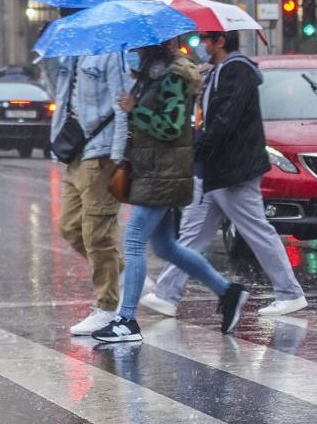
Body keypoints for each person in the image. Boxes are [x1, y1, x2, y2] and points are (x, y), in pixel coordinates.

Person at [140, 31, 307, 318]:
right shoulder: (216, 72)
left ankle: (290, 292)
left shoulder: (238, 71)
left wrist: (196, 148)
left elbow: (224, 121)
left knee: (256, 230)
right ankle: (167, 295)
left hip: (233, 169)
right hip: (213, 169)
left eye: (206, 39)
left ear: (220, 41)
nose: (202, 44)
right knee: (192, 234)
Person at [90, 43, 248, 343]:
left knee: (134, 240)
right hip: (151, 171)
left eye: (139, 45)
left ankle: (126, 320)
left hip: (163, 173)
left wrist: (135, 110)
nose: (134, 50)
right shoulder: (151, 75)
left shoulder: (172, 78)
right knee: (165, 247)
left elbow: (172, 126)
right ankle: (228, 293)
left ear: (153, 46)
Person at [39, 12, 131, 336]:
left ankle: (108, 306)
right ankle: (122, 274)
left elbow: (122, 105)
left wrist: (119, 157)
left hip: (101, 152)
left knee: (97, 233)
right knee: (70, 227)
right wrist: (48, 57)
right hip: (74, 151)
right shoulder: (69, 52)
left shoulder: (110, 51)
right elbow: (58, 95)